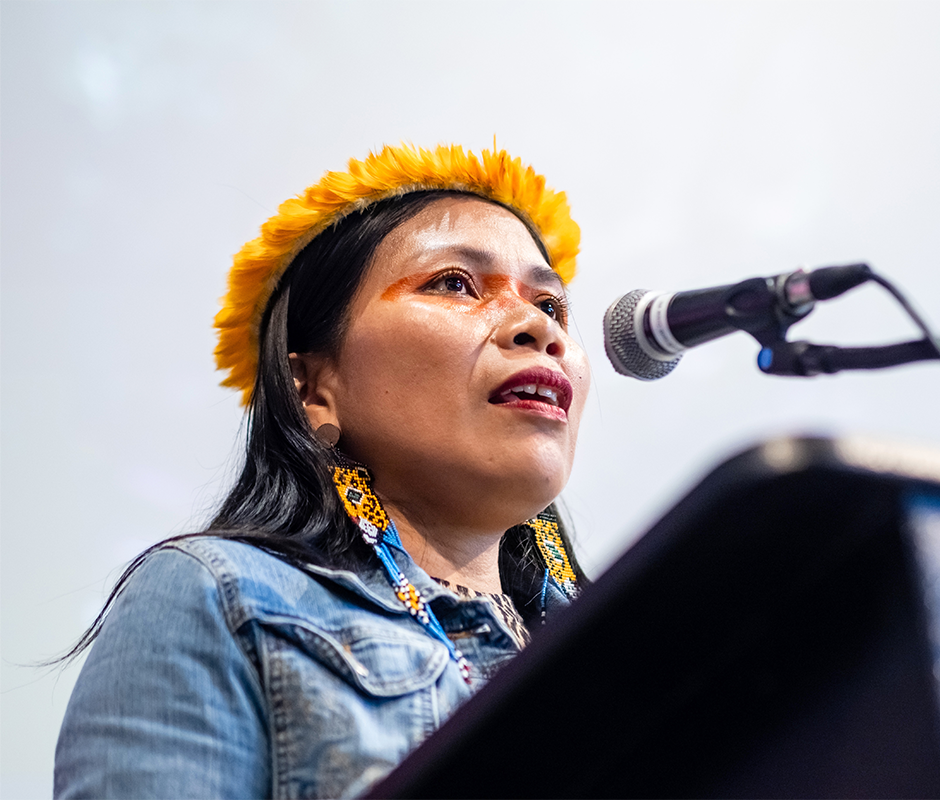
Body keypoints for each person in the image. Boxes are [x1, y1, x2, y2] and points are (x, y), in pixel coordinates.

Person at [53, 143, 592, 799]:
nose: (537, 328)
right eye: (453, 282)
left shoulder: (635, 649)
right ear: (312, 387)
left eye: (552, 307)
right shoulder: (220, 597)